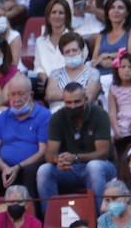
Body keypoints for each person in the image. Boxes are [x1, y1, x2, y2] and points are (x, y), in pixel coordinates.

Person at [0, 74, 50, 226]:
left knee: (32, 171)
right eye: (13, 94)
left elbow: (43, 151)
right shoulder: (1, 118)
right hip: (6, 168)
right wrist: (5, 168)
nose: (16, 99)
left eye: (21, 94)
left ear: (30, 94)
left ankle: (35, 222)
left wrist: (18, 167)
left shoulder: (43, 115)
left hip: (29, 166)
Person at [37, 82, 117, 211]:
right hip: (70, 168)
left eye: (76, 102)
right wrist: (58, 160)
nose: (73, 106)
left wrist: (75, 158)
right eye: (68, 103)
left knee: (94, 167)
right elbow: (49, 154)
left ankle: (99, 221)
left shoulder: (100, 114)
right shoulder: (57, 117)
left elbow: (102, 153)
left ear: (85, 99)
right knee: (44, 170)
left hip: (101, 166)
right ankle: (51, 220)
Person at [92, 0, 131, 72]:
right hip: (100, 76)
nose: (116, 11)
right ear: (107, 12)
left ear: (127, 12)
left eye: (120, 8)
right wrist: (102, 62)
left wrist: (109, 57)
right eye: (112, 8)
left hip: (123, 76)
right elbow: (93, 61)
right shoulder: (101, 34)